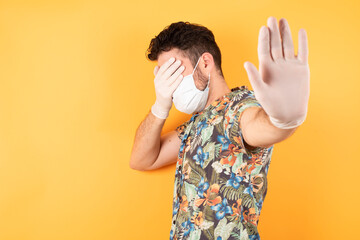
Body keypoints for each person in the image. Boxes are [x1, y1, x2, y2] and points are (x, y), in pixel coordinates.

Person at [130, 16, 310, 240]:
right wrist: (160, 106)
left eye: (174, 71)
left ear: (205, 63)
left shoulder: (240, 107)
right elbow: (141, 159)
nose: (169, 84)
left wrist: (285, 120)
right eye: (163, 77)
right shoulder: (194, 127)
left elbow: (262, 128)